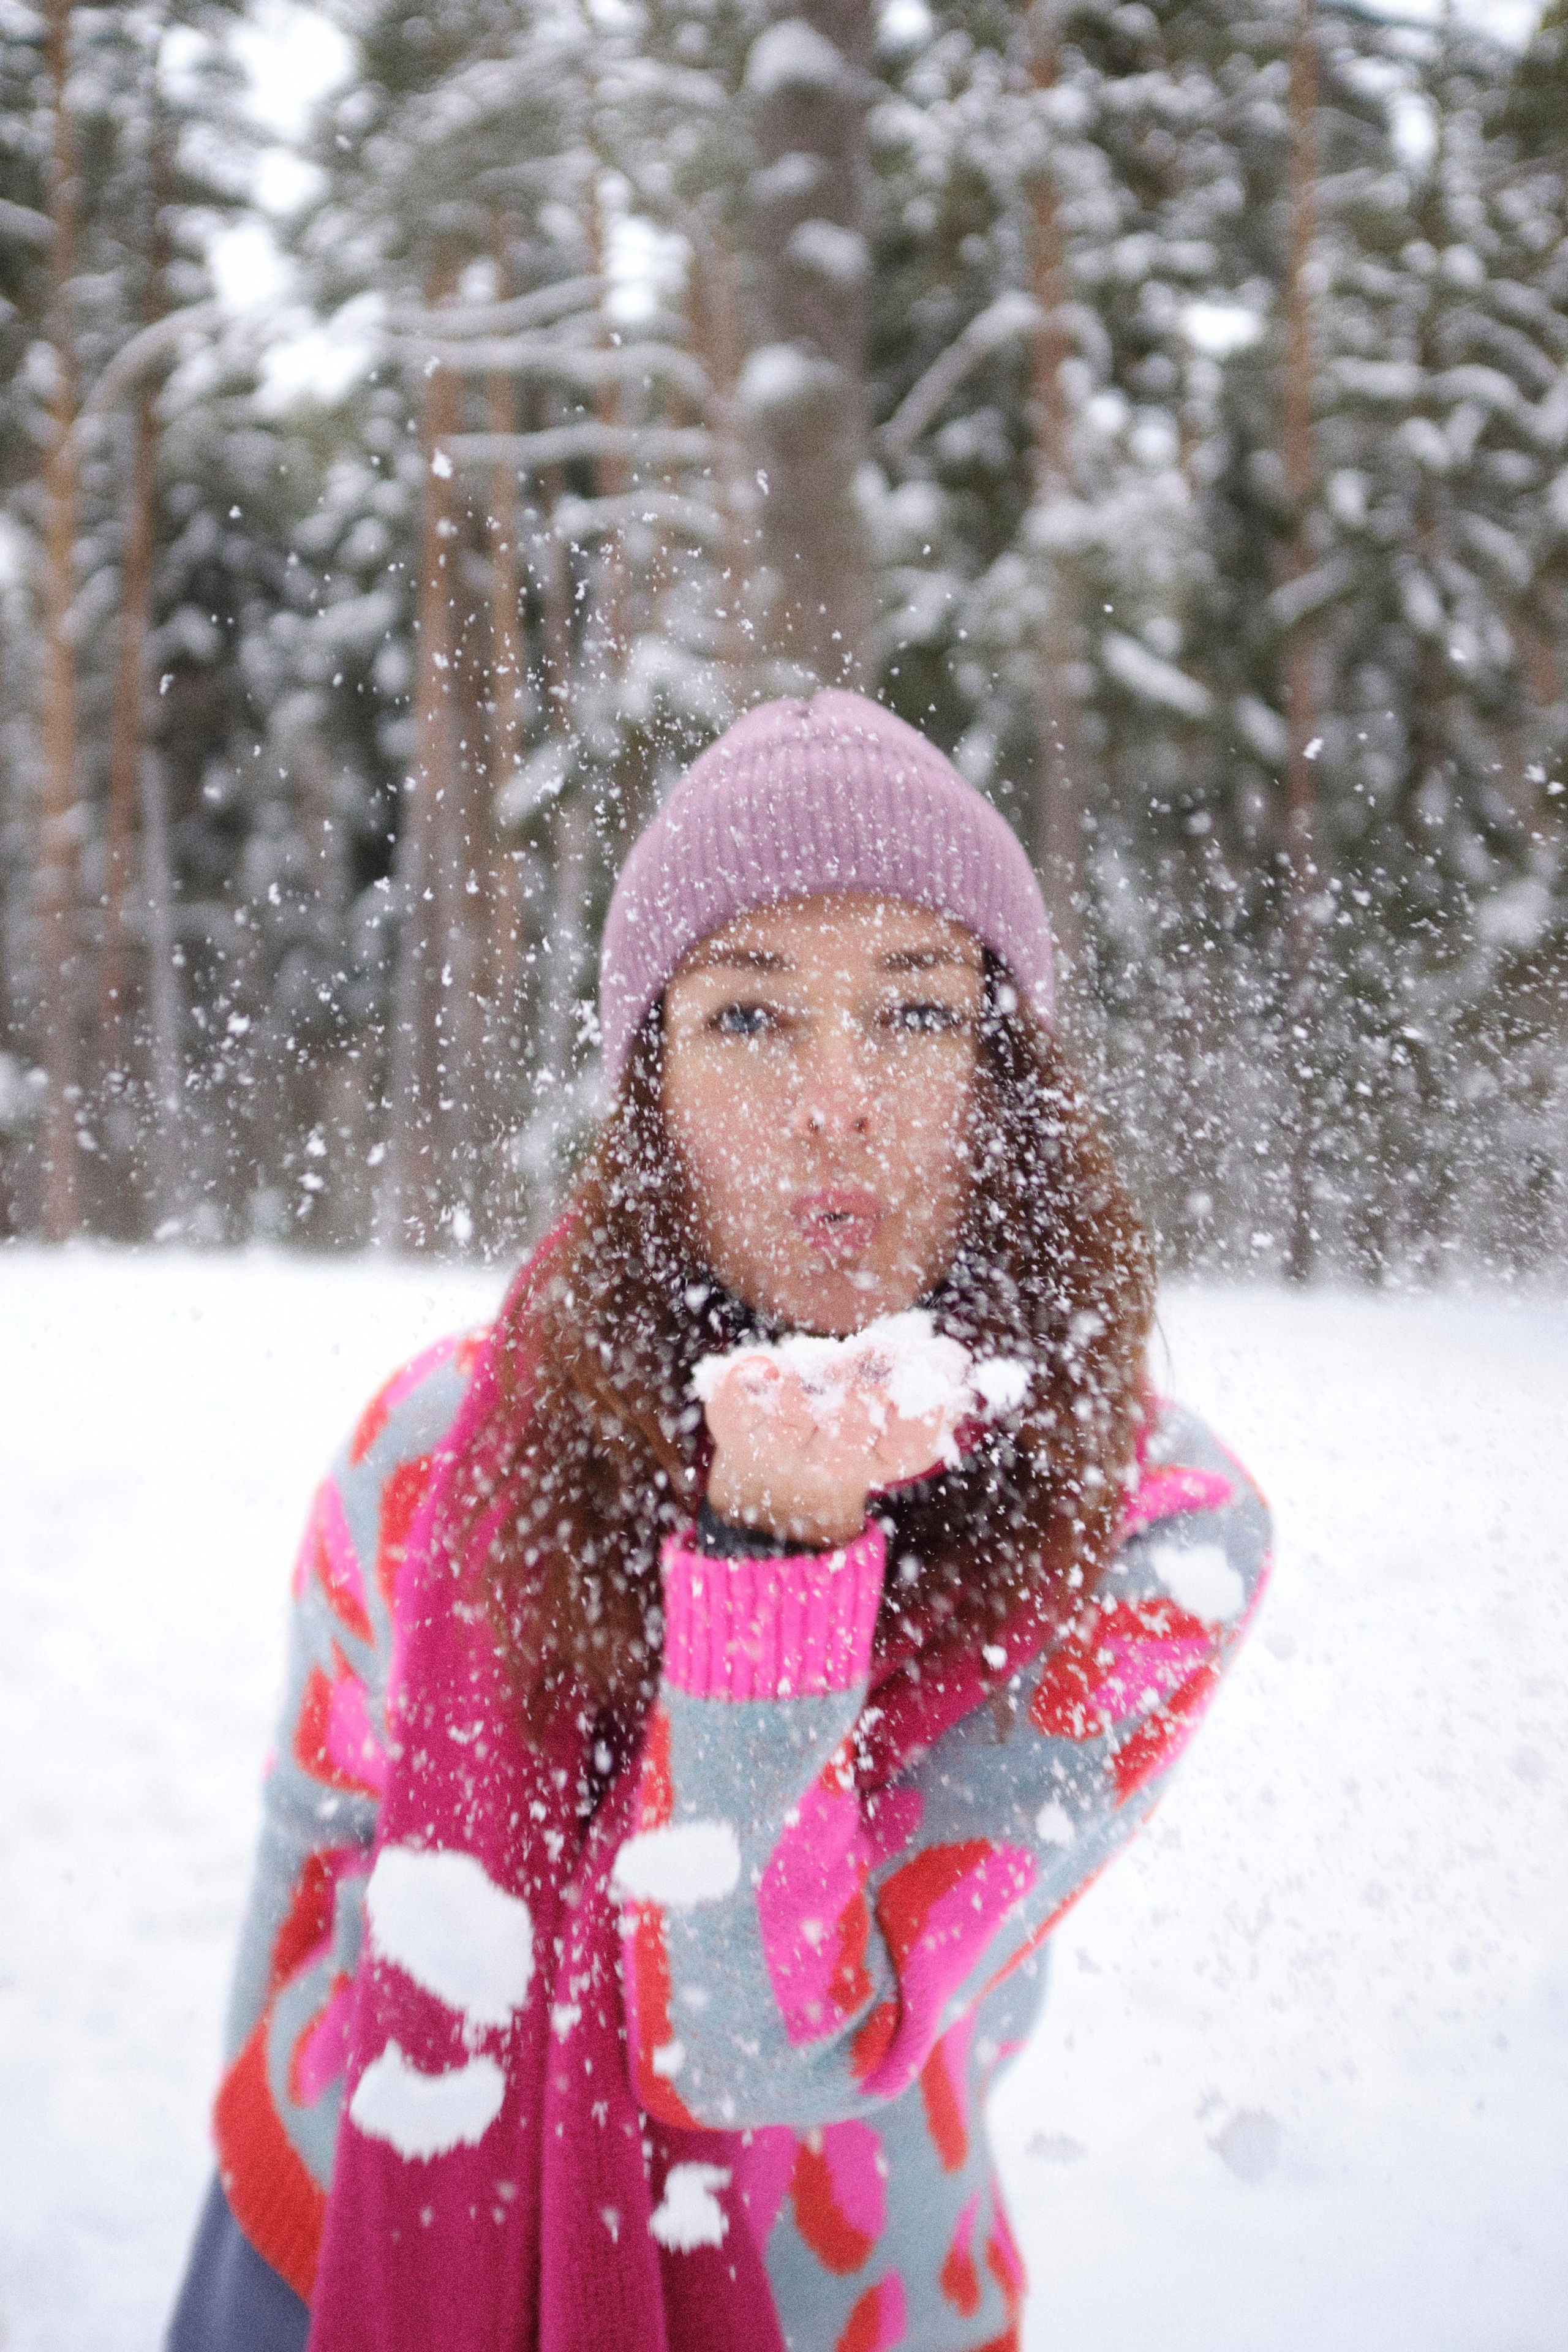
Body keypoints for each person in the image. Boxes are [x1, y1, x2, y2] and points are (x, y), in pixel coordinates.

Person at [168, 690, 1269, 2352]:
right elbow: (321, 1832)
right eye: (751, 1020)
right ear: (649, 1089)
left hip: (831, 2302)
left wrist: (779, 1568)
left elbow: (755, 2052)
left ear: (1007, 1074)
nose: (838, 1099)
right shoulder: (440, 1440)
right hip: (332, 2238)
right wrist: (270, 2122)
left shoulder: (1150, 1535)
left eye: (915, 1013)